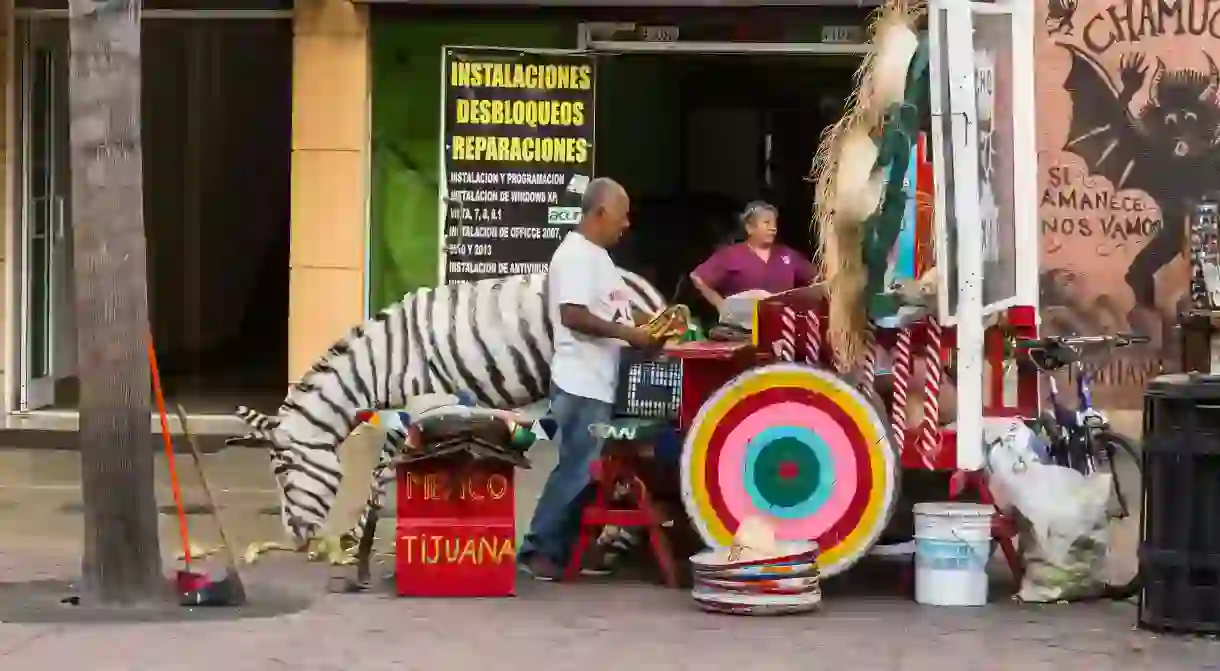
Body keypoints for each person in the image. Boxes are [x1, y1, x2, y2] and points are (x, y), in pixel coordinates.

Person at [518, 177, 660, 581]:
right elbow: (574, 315)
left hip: (597, 380)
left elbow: (617, 311)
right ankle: (538, 550)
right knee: (577, 469)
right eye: (621, 215)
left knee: (590, 470)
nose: (627, 224)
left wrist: (658, 326)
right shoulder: (576, 256)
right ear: (599, 214)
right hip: (580, 383)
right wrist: (631, 335)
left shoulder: (599, 257)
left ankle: (569, 550)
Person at [689, 201, 817, 314]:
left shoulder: (788, 254)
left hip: (781, 325)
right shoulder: (731, 255)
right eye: (767, 223)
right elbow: (698, 277)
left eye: (774, 223)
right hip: (742, 328)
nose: (773, 228)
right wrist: (720, 304)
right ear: (749, 228)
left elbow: (816, 279)